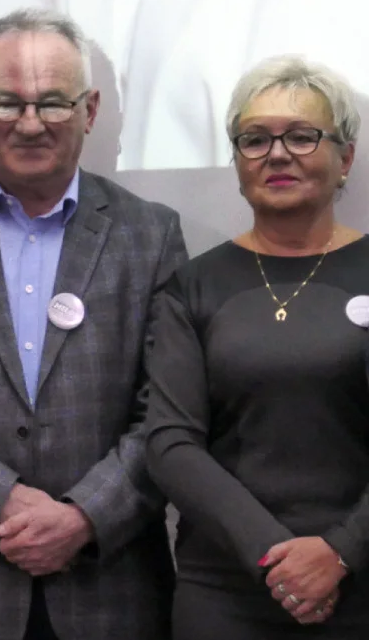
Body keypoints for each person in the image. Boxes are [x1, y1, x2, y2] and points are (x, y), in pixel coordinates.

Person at [0, 8, 186, 640]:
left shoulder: (150, 235)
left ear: (90, 110)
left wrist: (84, 516)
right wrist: (0, 500)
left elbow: (167, 411)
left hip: (112, 592)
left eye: (52, 102)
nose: (29, 123)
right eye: (5, 102)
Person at [144, 54, 369, 639]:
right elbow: (170, 442)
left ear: (345, 158)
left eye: (301, 136)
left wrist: (342, 551)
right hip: (227, 590)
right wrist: (275, 556)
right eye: (255, 139)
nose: (277, 154)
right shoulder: (193, 286)